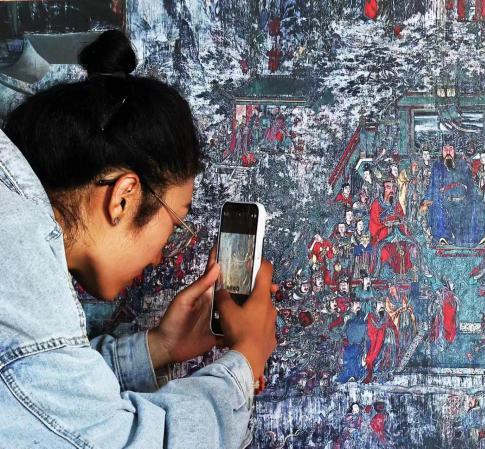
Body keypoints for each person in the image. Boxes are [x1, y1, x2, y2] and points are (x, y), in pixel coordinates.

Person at [0, 30, 277, 448]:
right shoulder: (21, 269)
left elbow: (36, 389)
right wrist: (248, 357)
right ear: (124, 198)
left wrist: (160, 347)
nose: (159, 258)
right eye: (175, 223)